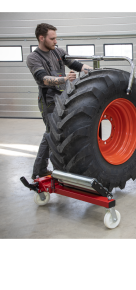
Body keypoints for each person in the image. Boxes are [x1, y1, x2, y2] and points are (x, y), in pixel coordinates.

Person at [26, 23, 92, 179]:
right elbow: (43, 79)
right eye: (52, 38)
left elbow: (76, 65)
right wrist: (64, 79)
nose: (56, 41)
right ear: (41, 38)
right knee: (51, 134)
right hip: (48, 101)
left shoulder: (59, 52)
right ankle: (40, 170)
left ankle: (60, 167)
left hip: (64, 98)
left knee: (61, 133)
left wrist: (88, 69)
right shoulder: (33, 58)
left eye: (56, 38)